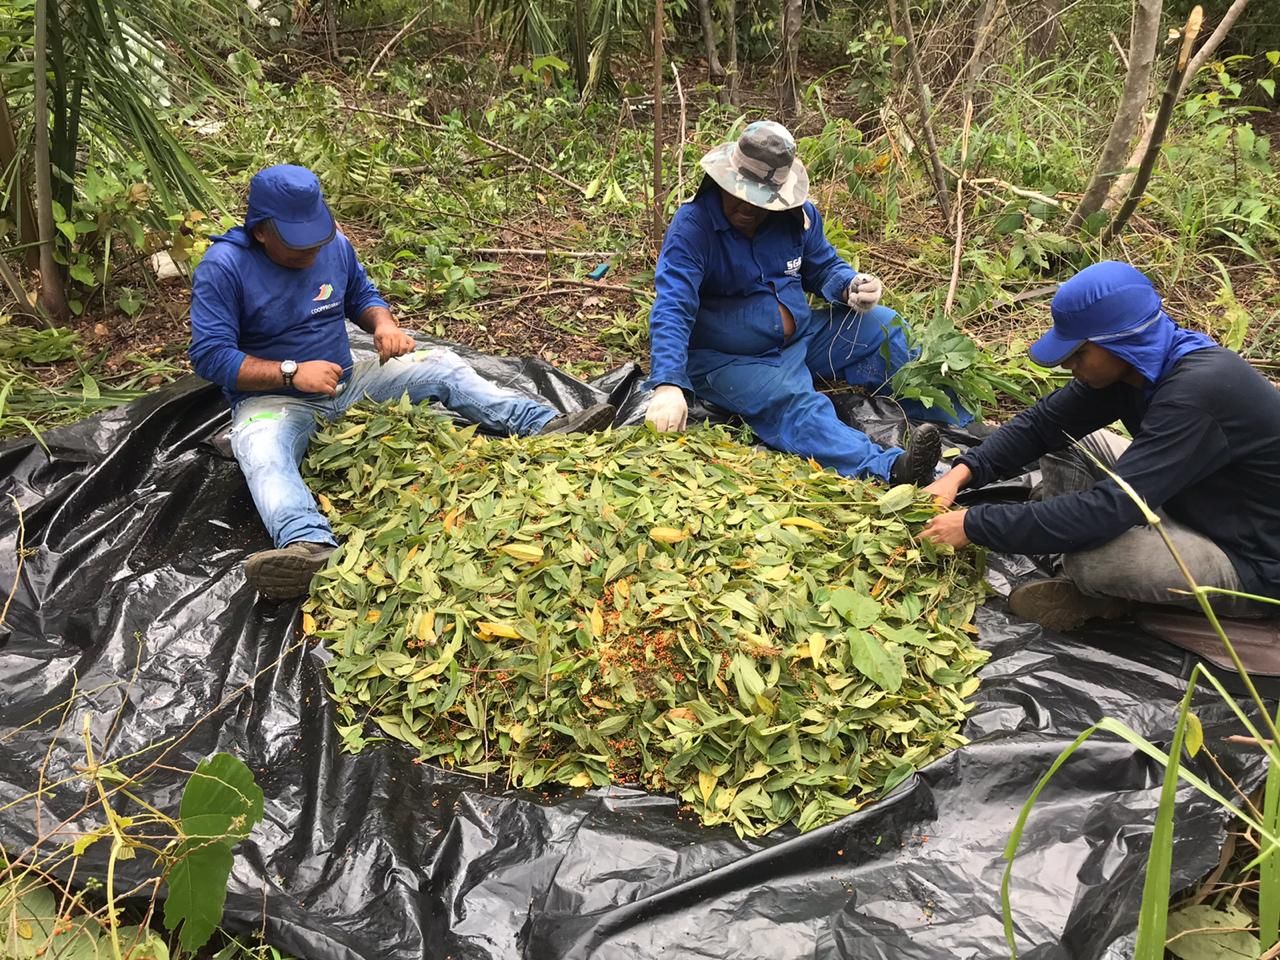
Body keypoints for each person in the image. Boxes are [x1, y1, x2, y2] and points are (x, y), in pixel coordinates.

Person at [190, 164, 614, 600]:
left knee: (444, 365)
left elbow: (361, 296)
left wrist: (383, 325)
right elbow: (210, 356)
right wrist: (291, 372)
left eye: (317, 238)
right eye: (299, 244)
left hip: (349, 380)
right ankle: (309, 545)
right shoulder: (224, 267)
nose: (312, 253)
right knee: (261, 452)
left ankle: (543, 424)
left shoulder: (333, 246)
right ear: (261, 231)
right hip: (276, 400)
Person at [920, 260, 1280, 630]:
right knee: (1072, 440)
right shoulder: (1137, 368)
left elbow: (1111, 508)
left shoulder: (1197, 392)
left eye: (1078, 354)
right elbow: (1043, 425)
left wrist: (975, 524)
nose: (1067, 366)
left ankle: (1088, 580)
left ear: (1121, 343)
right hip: (1189, 497)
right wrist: (961, 473)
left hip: (1250, 558)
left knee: (1092, 562)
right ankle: (1068, 541)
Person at [643, 120, 965, 485]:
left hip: (801, 340)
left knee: (886, 326)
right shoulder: (694, 225)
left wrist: (850, 285)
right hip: (728, 359)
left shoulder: (798, 217)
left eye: (759, 200)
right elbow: (673, 302)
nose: (747, 207)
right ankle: (891, 468)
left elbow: (823, 266)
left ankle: (950, 430)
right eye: (740, 194)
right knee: (794, 403)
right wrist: (668, 385)